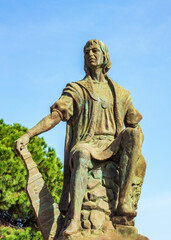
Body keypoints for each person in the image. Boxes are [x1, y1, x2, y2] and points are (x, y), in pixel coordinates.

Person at [15, 39, 144, 236]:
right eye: (87, 52)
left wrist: (133, 122)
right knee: (82, 154)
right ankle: (74, 219)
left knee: (134, 134)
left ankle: (123, 202)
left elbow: (133, 119)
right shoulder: (77, 89)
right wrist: (28, 134)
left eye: (94, 51)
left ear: (104, 57)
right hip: (87, 143)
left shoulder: (120, 92)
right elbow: (55, 116)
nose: (90, 54)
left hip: (113, 145)